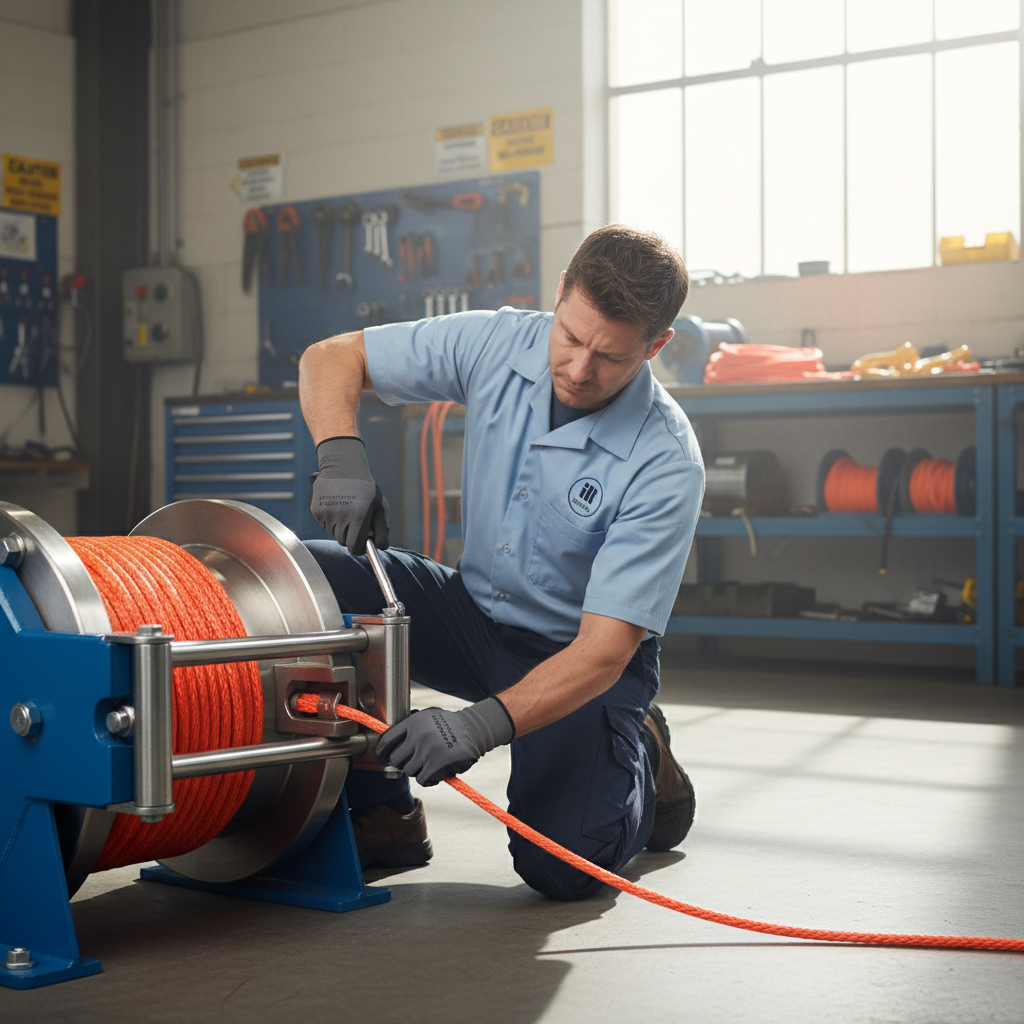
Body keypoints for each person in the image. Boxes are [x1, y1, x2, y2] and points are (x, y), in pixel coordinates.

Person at [299, 225, 704, 900]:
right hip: (471, 614)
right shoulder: (497, 340)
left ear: (655, 346)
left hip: (576, 658)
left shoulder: (664, 460)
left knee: (563, 869)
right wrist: (340, 454)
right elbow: (330, 358)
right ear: (559, 296)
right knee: (308, 580)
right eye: (570, 337)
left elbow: (605, 651)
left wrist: (476, 726)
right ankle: (382, 808)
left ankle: (642, 758)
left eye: (608, 356)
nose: (578, 369)